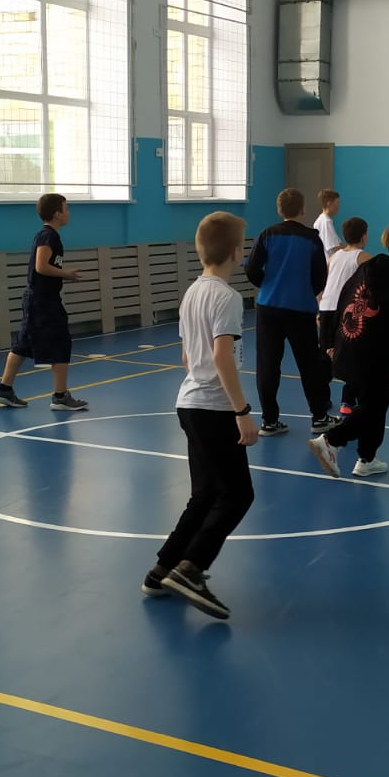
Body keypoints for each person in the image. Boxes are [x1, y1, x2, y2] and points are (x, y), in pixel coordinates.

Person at [142, 212, 258, 620]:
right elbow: (222, 355)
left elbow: (187, 356)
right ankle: (191, 569)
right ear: (236, 252)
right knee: (238, 495)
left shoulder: (192, 292)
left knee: (205, 493)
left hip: (188, 403)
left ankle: (162, 570)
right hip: (214, 408)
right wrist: (241, 410)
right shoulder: (227, 297)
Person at [309, 222, 389, 480]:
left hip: (348, 345)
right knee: (375, 407)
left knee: (372, 403)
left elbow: (344, 299)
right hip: (374, 354)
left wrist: (333, 341)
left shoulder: (367, 268)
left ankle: (366, 458)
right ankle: (331, 440)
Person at [244, 187, 334, 437]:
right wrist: (305, 291)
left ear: (279, 210)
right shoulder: (311, 239)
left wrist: (268, 285)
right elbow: (320, 276)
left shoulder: (267, 234)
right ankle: (319, 417)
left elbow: (251, 269)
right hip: (301, 309)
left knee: (268, 364)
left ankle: (269, 421)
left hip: (268, 308)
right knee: (309, 364)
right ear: (302, 209)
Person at [0, 192, 88, 412]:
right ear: (57, 214)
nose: (69, 212)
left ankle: (4, 389)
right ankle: (60, 397)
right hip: (43, 300)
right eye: (66, 208)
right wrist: (66, 274)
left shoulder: (50, 236)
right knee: (61, 342)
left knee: (23, 344)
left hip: (39, 299)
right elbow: (41, 266)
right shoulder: (47, 236)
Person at [319, 217, 370, 416]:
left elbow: (323, 282)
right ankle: (347, 399)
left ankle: (321, 399)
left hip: (326, 308)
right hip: (344, 311)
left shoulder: (334, 257)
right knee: (352, 354)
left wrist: (319, 308)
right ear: (364, 236)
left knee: (325, 355)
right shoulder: (363, 258)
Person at [314, 188, 343, 258]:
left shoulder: (324, 220)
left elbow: (338, 244)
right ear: (329, 203)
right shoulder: (326, 222)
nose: (339, 206)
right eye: (337, 203)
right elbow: (334, 247)